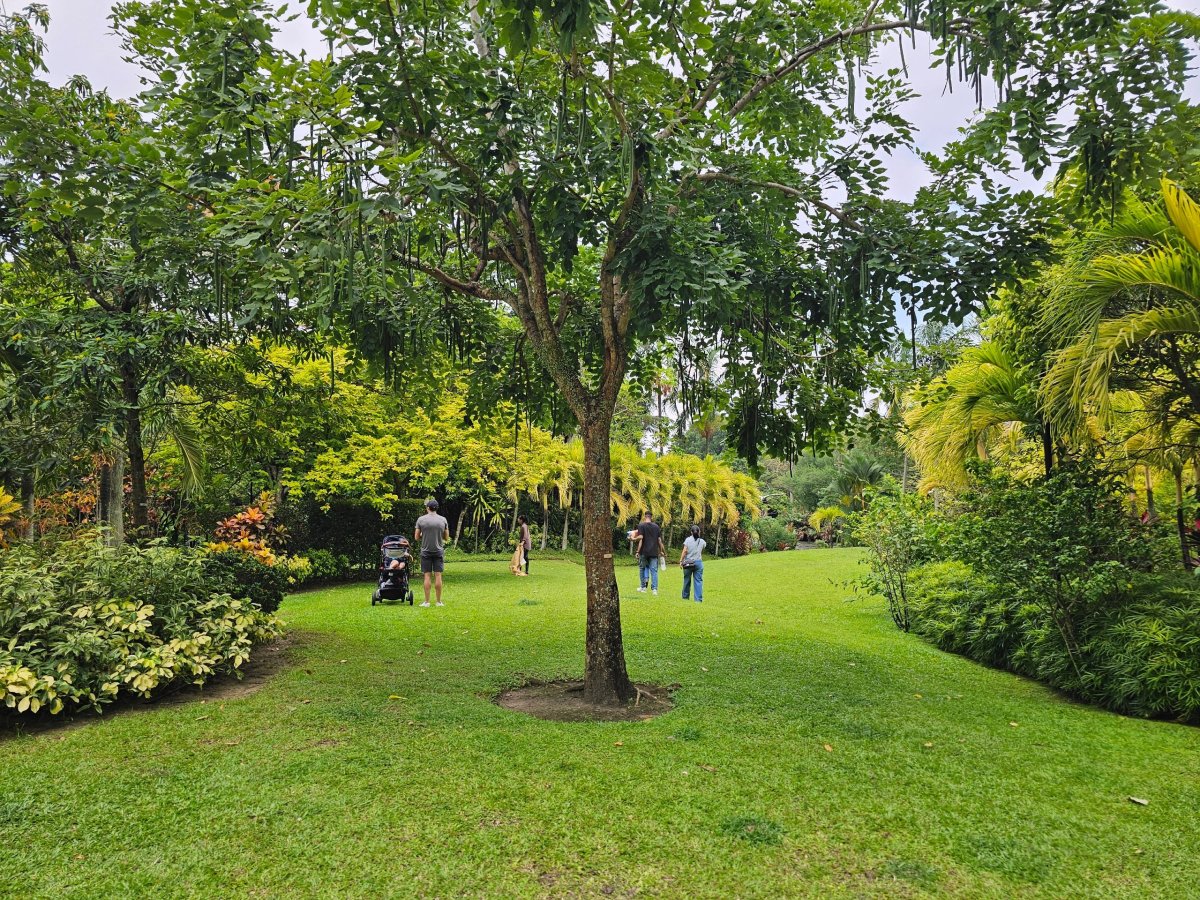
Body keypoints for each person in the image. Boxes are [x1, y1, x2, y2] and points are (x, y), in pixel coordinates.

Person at [414, 498, 450, 606]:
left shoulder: (421, 520)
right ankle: (438, 602)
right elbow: (446, 537)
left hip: (426, 551)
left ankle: (427, 602)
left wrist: (423, 535)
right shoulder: (443, 520)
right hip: (438, 551)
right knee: (438, 576)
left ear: (428, 508)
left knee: (427, 576)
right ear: (436, 508)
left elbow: (416, 537)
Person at [634, 511, 665, 596]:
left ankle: (643, 587)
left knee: (642, 569)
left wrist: (637, 549)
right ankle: (654, 590)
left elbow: (641, 538)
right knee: (654, 571)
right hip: (654, 552)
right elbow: (659, 540)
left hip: (643, 552)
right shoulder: (656, 527)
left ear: (645, 517)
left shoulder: (641, 525)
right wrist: (661, 551)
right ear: (651, 517)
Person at [679, 524, 706, 603]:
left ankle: (685, 598)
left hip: (688, 562)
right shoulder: (702, 541)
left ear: (691, 532)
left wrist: (681, 561)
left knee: (687, 580)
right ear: (699, 532)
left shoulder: (688, 540)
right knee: (698, 581)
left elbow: (685, 551)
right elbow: (702, 548)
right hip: (698, 563)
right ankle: (698, 600)